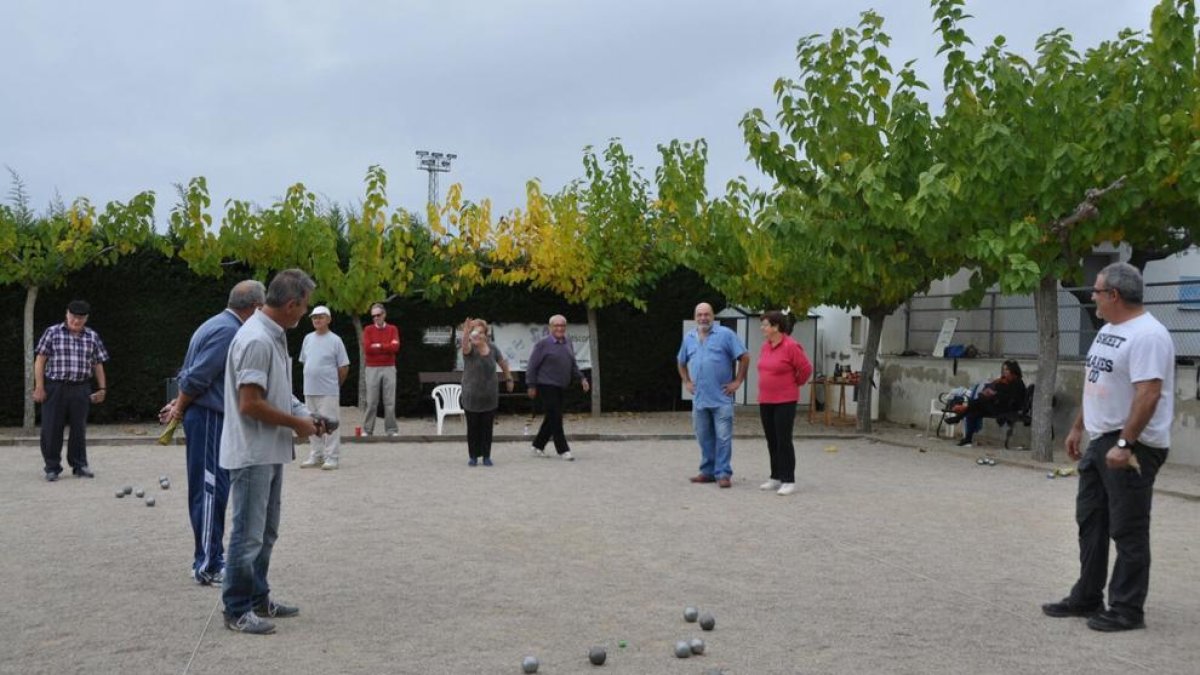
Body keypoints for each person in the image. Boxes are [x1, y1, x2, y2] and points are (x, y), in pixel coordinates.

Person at [1042, 262, 1174, 632]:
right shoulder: (1109, 329)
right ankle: (1086, 596)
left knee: (1128, 529)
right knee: (1092, 522)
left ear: (1114, 295)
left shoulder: (1148, 335)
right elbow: (1098, 380)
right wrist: (1079, 426)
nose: (1093, 297)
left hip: (1133, 445)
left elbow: (1148, 395)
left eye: (1097, 291)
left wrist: (1125, 444)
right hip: (1102, 439)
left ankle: (1127, 609)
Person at [220, 269, 324, 635]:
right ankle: (236, 609)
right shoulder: (257, 340)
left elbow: (277, 393)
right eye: (305, 306)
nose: (306, 312)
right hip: (252, 453)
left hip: (269, 450)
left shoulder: (272, 335)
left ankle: (258, 597)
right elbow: (249, 404)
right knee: (248, 535)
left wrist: (303, 414)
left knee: (265, 533)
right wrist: (296, 425)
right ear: (292, 304)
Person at [159, 280, 265, 586]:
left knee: (212, 489)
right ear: (255, 308)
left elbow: (189, 373)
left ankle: (210, 558)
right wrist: (179, 408)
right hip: (208, 419)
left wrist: (177, 403)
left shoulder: (213, 324)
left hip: (205, 416)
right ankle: (206, 564)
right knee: (210, 491)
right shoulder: (230, 331)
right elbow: (196, 378)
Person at [33, 300, 109, 481]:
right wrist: (39, 386)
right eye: (74, 317)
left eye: (81, 318)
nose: (77, 321)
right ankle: (52, 467)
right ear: (67, 314)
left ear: (86, 318)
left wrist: (102, 388)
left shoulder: (92, 336)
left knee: (79, 429)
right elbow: (40, 360)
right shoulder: (52, 333)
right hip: (55, 386)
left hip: (81, 387)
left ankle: (80, 465)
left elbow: (98, 363)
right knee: (51, 428)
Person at [677, 302, 749, 488]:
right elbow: (681, 361)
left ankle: (723, 473)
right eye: (699, 314)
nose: (703, 318)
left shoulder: (725, 335)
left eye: (707, 314)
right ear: (695, 317)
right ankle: (707, 472)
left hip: (722, 398)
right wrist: (687, 381)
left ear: (713, 316)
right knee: (704, 437)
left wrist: (738, 381)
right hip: (700, 399)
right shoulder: (689, 337)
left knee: (723, 438)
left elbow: (745, 357)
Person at [755, 310, 812, 496]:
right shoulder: (766, 346)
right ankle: (775, 476)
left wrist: (796, 383)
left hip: (785, 400)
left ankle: (788, 479)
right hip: (766, 399)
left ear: (776, 327)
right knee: (771, 439)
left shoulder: (791, 346)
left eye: (765, 325)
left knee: (783, 440)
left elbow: (805, 369)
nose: (762, 328)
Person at [526, 314, 589, 461]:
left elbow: (572, 364)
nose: (560, 328)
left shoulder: (568, 343)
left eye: (562, 326)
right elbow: (532, 366)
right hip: (546, 385)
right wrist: (531, 385)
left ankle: (537, 445)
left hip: (561, 385)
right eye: (556, 326)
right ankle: (563, 449)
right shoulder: (543, 344)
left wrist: (582, 378)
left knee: (552, 417)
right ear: (550, 328)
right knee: (556, 416)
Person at [299, 306, 350, 470]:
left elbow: (343, 367)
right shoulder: (307, 338)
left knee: (331, 424)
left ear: (328, 319)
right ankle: (316, 454)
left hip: (328, 390)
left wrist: (335, 385)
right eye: (314, 317)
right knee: (313, 423)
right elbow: (305, 362)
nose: (316, 320)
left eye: (320, 317)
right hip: (310, 389)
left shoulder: (335, 340)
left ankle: (332, 457)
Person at [460, 317, 514, 466]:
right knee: (473, 428)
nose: (477, 335)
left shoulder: (493, 348)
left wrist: (509, 378)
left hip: (489, 395)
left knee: (487, 427)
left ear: (486, 334)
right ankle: (473, 456)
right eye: (474, 332)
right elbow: (464, 346)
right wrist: (465, 333)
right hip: (471, 395)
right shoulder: (470, 349)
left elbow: (503, 363)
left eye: (480, 332)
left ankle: (486, 456)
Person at [949, 360, 1025, 447]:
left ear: (1013, 371)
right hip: (997, 406)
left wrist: (994, 394)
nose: (1004, 372)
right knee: (974, 410)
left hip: (1006, 410)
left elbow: (1011, 399)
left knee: (979, 402)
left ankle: (959, 416)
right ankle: (967, 438)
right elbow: (999, 393)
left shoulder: (1017, 383)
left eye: (1007, 370)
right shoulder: (1003, 381)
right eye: (1003, 369)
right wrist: (991, 393)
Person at [361, 302, 401, 436]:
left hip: (389, 367)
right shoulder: (368, 330)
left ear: (384, 315)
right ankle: (367, 430)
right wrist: (386, 346)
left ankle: (391, 430)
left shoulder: (393, 329)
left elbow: (395, 347)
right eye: (373, 316)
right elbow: (367, 348)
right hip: (372, 368)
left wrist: (378, 346)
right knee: (371, 401)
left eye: (378, 315)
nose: (376, 318)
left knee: (389, 401)